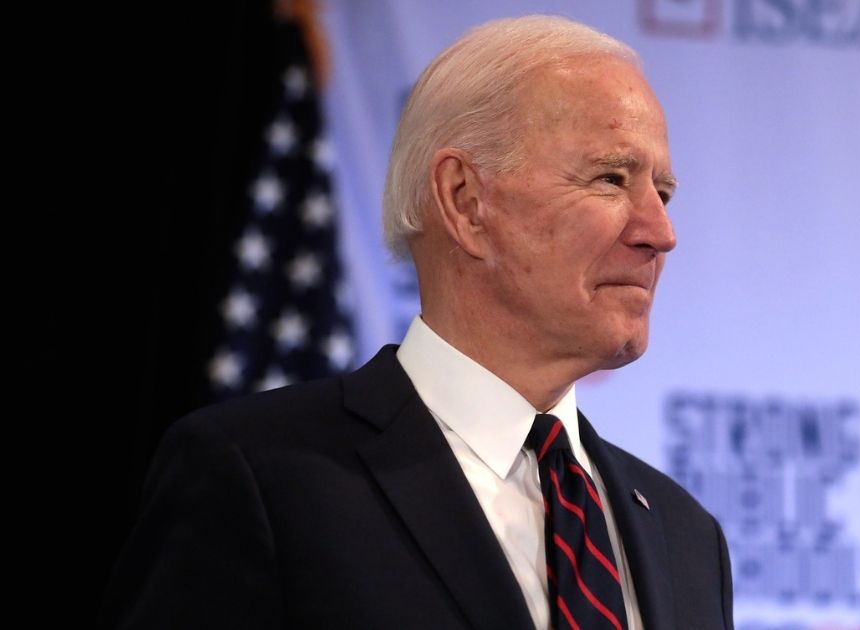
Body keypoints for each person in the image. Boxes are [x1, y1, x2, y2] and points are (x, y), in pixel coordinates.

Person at [103, 14, 733, 630]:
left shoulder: (684, 536)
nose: (661, 233)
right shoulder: (261, 477)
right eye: (610, 178)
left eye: (664, 192)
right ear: (464, 201)